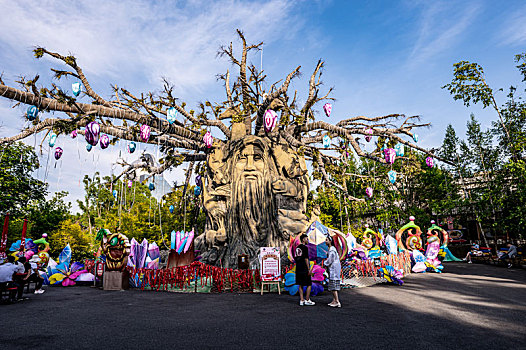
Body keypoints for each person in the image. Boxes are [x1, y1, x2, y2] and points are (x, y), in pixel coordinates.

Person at [294, 234, 315, 306]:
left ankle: (301, 300)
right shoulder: (305, 248)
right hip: (304, 268)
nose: (307, 240)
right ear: (303, 239)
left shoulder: (297, 248)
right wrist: (309, 269)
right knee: (309, 283)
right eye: (306, 238)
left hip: (298, 267)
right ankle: (307, 299)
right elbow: (306, 258)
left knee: (300, 284)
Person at [324, 236, 341, 308]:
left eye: (327, 240)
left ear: (330, 241)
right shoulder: (332, 249)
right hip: (334, 268)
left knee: (333, 286)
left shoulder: (332, 250)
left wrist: (325, 263)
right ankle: (334, 300)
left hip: (334, 269)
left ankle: (337, 301)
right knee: (333, 284)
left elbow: (330, 260)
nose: (325, 241)